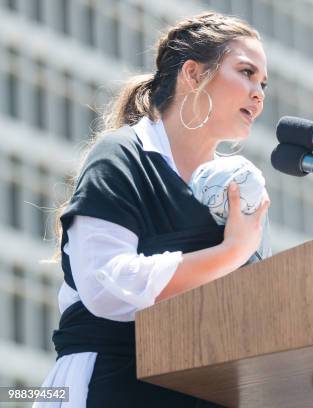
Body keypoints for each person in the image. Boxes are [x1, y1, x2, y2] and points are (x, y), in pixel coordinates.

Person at [35, 11, 270, 408]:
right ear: (193, 75)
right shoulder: (121, 155)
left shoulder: (236, 189)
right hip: (111, 385)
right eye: (246, 73)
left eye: (263, 83)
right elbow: (106, 285)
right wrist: (230, 253)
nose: (259, 93)